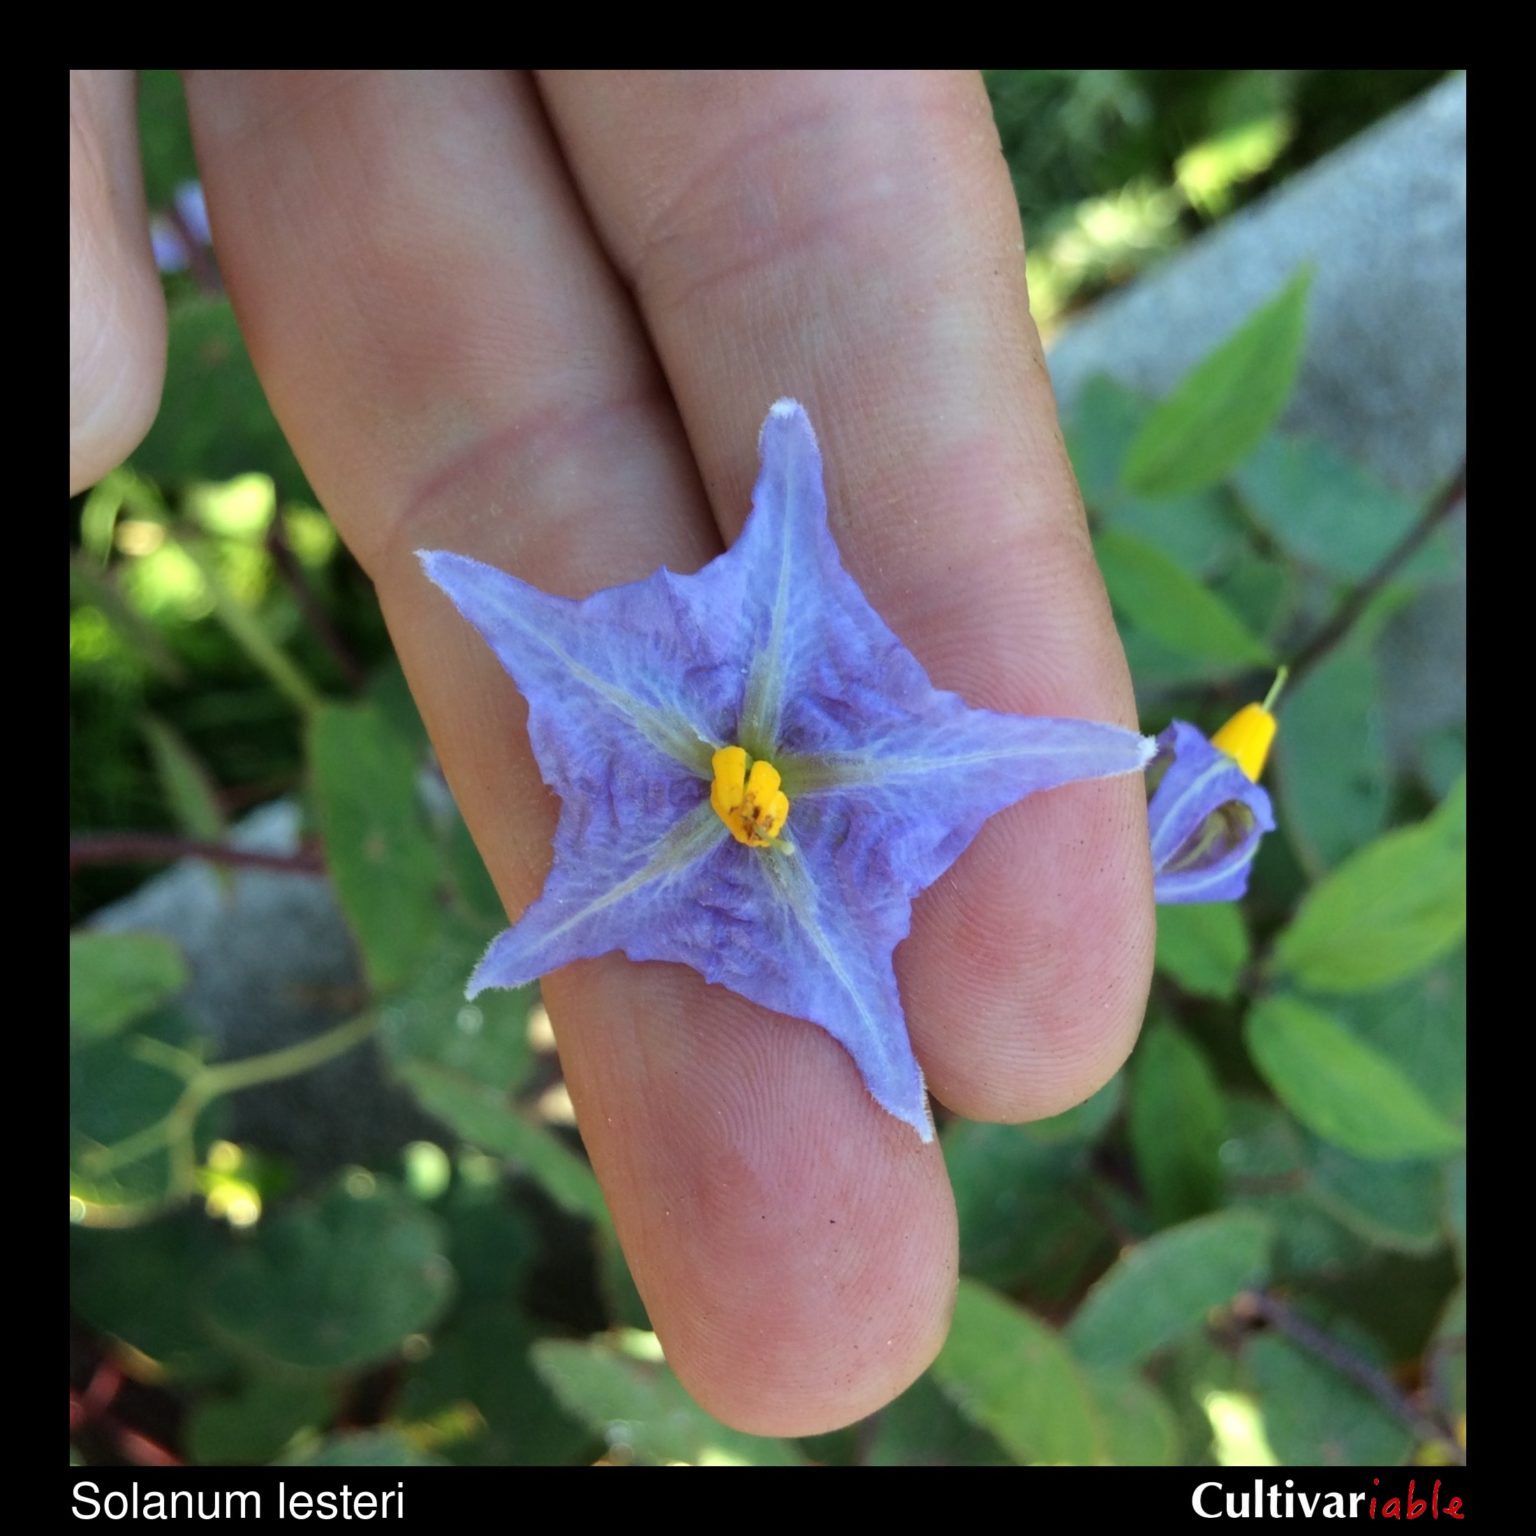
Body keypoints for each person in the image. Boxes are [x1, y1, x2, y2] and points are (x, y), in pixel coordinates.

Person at [69, 70, 1154, 1437]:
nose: (753, 805)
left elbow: (859, 652)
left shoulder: (769, 773)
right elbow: (682, 609)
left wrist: (1050, 746)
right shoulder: (736, 752)